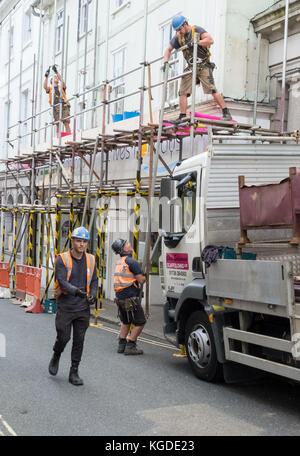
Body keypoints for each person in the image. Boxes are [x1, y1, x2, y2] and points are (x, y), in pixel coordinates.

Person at [48, 226, 97, 386]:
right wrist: (77, 292)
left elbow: (95, 280)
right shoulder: (62, 259)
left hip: (83, 308)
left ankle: (74, 371)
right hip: (66, 306)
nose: (81, 244)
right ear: (72, 241)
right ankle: (56, 355)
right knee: (64, 337)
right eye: (78, 241)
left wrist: (93, 295)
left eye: (84, 241)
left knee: (79, 340)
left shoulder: (91, 259)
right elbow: (62, 282)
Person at [163, 15, 232, 123]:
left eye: (180, 29)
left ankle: (226, 112)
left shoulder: (197, 30)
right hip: (191, 67)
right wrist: (166, 62)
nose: (179, 32)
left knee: (211, 89)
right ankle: (182, 116)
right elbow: (168, 49)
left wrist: (196, 43)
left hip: (203, 64)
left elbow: (210, 40)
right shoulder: (178, 37)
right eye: (177, 30)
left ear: (185, 24)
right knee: (182, 91)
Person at [111, 239, 146, 355]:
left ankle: (121, 345)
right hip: (130, 297)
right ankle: (131, 345)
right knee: (140, 321)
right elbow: (141, 280)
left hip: (120, 298)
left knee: (126, 321)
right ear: (124, 249)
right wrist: (144, 277)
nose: (129, 244)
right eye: (126, 243)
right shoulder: (131, 262)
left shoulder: (119, 262)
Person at [43, 65, 71, 137]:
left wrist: (56, 72)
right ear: (51, 81)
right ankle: (59, 137)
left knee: (66, 122)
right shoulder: (50, 89)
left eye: (56, 77)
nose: (56, 78)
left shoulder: (61, 87)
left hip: (63, 105)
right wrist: (46, 76)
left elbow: (62, 81)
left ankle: (68, 136)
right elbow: (45, 87)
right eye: (54, 77)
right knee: (58, 123)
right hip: (55, 106)